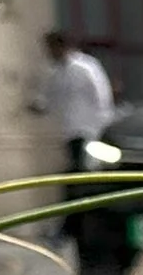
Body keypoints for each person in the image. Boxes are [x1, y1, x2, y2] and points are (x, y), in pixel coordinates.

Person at [28, 29, 116, 237]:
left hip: (89, 131)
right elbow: (50, 100)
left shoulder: (86, 67)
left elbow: (102, 97)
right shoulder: (57, 73)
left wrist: (102, 128)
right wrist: (36, 107)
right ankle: (73, 225)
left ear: (60, 46)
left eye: (50, 48)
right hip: (71, 132)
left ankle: (74, 225)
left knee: (79, 179)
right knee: (75, 179)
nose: (47, 53)